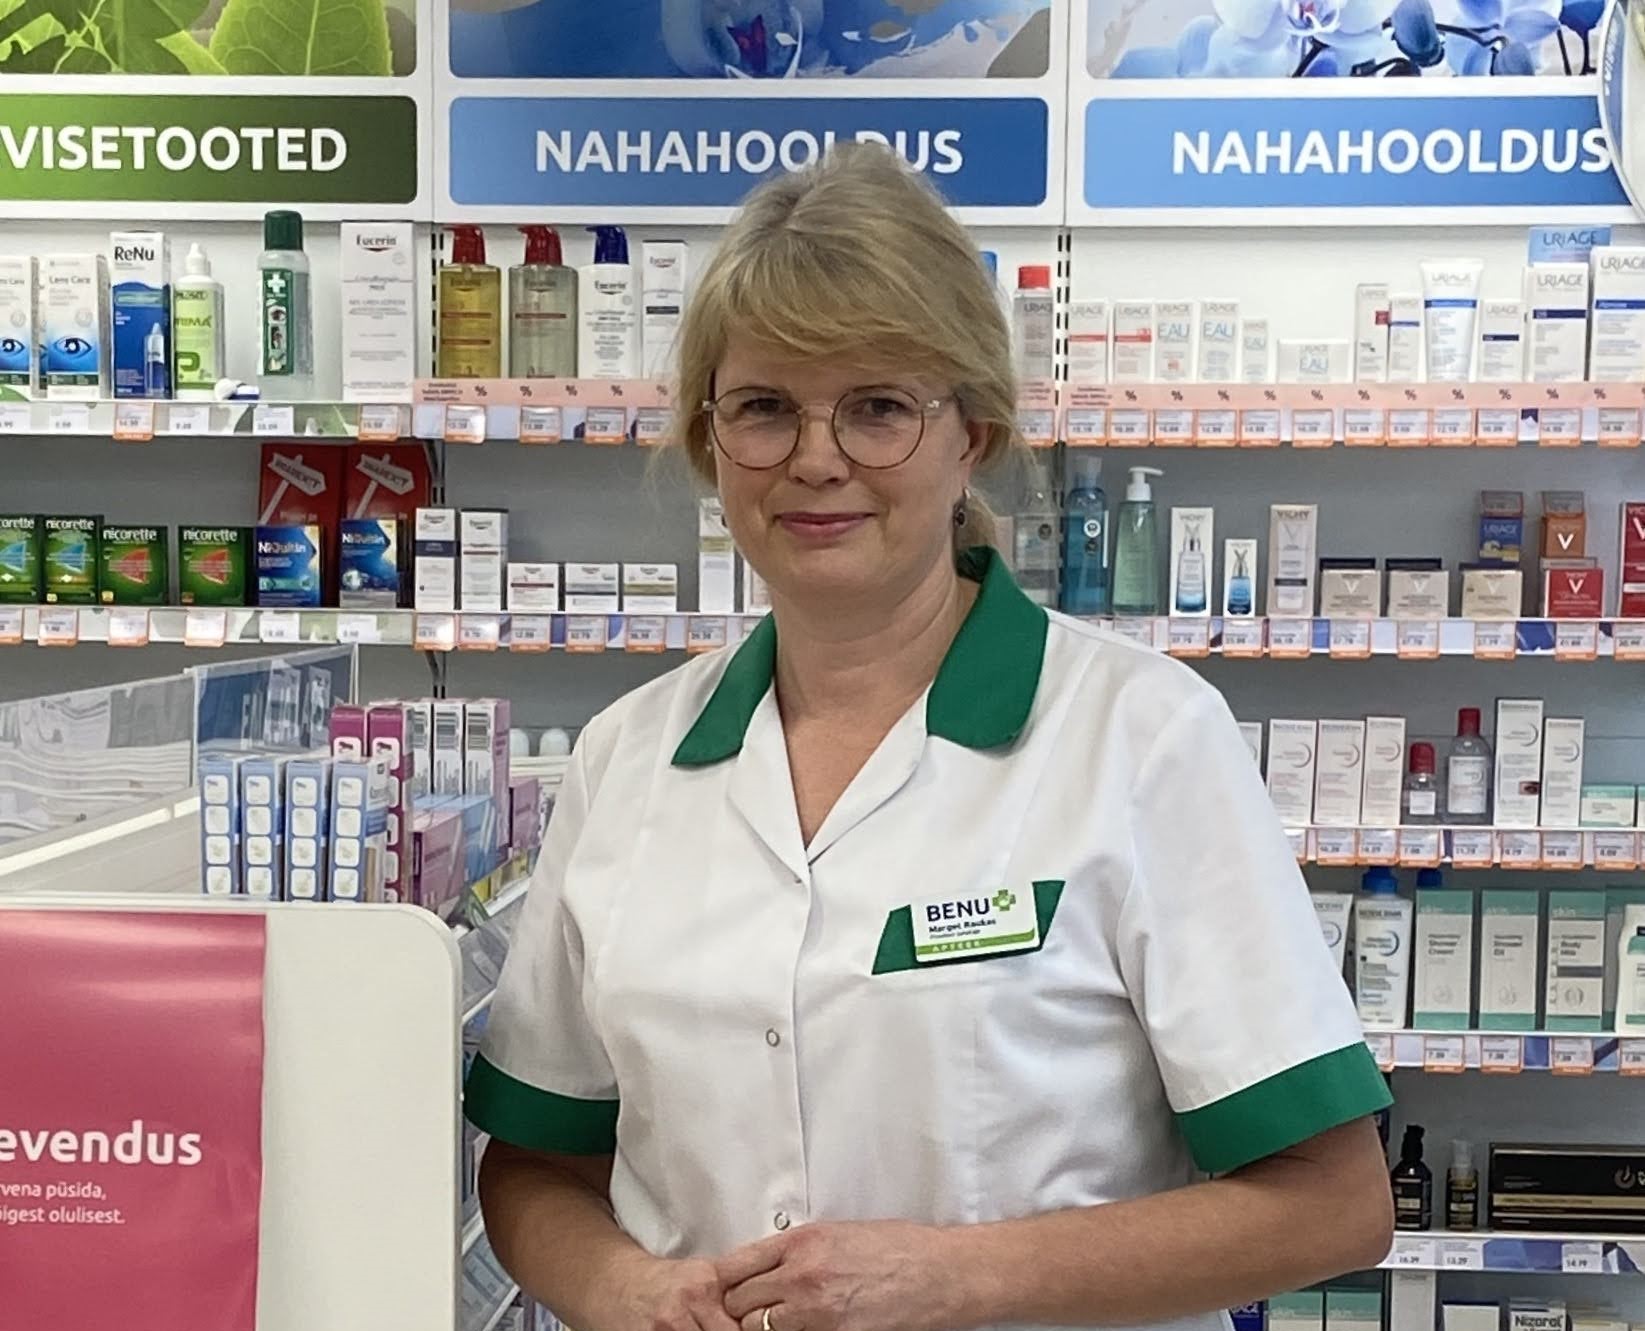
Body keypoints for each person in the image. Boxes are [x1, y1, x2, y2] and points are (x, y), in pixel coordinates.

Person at [467, 144, 1394, 1331]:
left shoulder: (1140, 736)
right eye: (764, 408)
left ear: (975, 435)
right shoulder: (627, 758)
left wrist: (952, 1278)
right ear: (709, 442)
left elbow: (1332, 1202)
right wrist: (626, 1288)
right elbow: (536, 1160)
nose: (816, 459)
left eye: (879, 408)